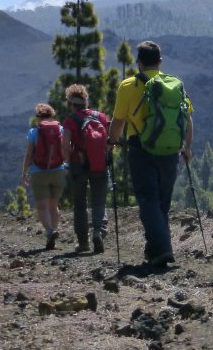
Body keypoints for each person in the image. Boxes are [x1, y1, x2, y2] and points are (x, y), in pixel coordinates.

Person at [109, 41, 193, 266]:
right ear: (160, 61)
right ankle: (154, 250)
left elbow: (118, 121)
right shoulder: (174, 85)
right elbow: (186, 118)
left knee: (148, 199)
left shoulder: (128, 85)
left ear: (138, 63)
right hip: (170, 150)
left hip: (141, 148)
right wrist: (186, 147)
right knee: (162, 202)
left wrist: (111, 142)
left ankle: (163, 248)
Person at [62, 84, 111, 254]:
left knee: (80, 205)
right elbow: (110, 140)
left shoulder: (70, 121)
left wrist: (67, 162)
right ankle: (98, 232)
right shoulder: (101, 117)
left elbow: (65, 145)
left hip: (78, 166)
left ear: (71, 104)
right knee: (99, 201)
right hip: (100, 165)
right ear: (86, 101)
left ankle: (83, 243)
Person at [20, 103, 67, 250]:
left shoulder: (34, 132)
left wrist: (24, 172)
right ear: (52, 115)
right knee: (53, 206)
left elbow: (29, 154)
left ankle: (50, 231)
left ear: (37, 117)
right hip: (58, 171)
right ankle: (52, 233)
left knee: (41, 206)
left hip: (38, 172)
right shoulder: (61, 129)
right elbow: (65, 150)